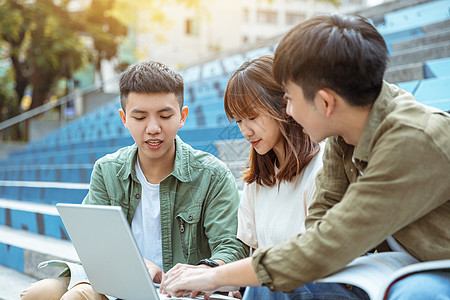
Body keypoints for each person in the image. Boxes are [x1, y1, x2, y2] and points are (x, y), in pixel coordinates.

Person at [160, 13, 450, 299]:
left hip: (432, 270)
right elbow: (319, 225)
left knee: (415, 294)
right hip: (401, 265)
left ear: (325, 102)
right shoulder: (345, 133)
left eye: (289, 98)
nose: (288, 111)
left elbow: (331, 242)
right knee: (276, 287)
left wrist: (213, 276)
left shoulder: (413, 138)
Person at [20, 60, 249, 300]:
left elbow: (230, 247)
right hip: (118, 281)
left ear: (182, 116)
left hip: (179, 292)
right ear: (124, 118)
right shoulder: (107, 170)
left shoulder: (212, 175)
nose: (152, 128)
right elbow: (94, 243)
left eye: (164, 115)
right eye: (139, 117)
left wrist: (202, 272)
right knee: (37, 294)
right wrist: (138, 265)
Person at [223, 55, 333, 299]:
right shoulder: (257, 181)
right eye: (239, 120)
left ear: (283, 105)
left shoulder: (323, 168)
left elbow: (317, 261)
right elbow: (255, 258)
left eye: (252, 117)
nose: (245, 130)